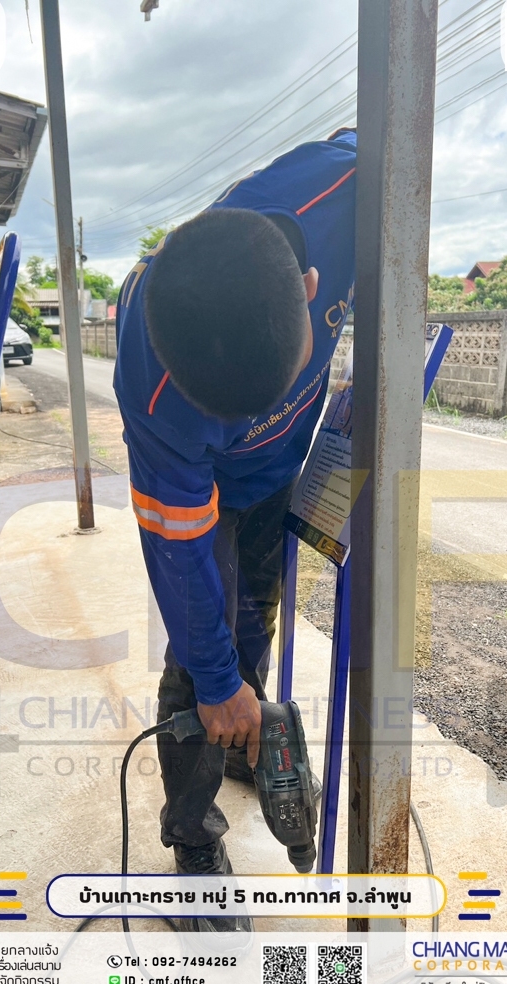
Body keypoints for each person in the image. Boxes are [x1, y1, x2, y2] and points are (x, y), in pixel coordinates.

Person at [113, 129, 356, 933]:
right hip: (207, 493)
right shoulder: (154, 389)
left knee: (257, 619)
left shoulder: (352, 186)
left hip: (279, 471)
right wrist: (218, 684)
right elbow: (180, 557)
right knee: (201, 662)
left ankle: (247, 745)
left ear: (312, 289)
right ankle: (192, 836)